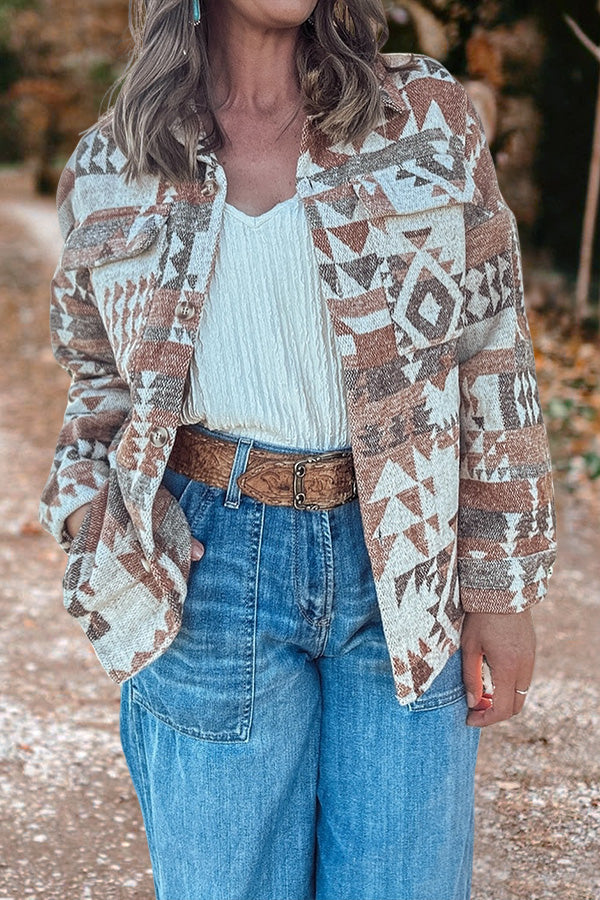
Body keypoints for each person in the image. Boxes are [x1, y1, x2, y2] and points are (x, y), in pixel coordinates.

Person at [38, 1, 557, 898]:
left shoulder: (426, 113)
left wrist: (503, 588)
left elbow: (492, 349)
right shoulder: (109, 164)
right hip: (207, 568)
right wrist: (93, 514)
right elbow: (95, 384)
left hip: (405, 557)